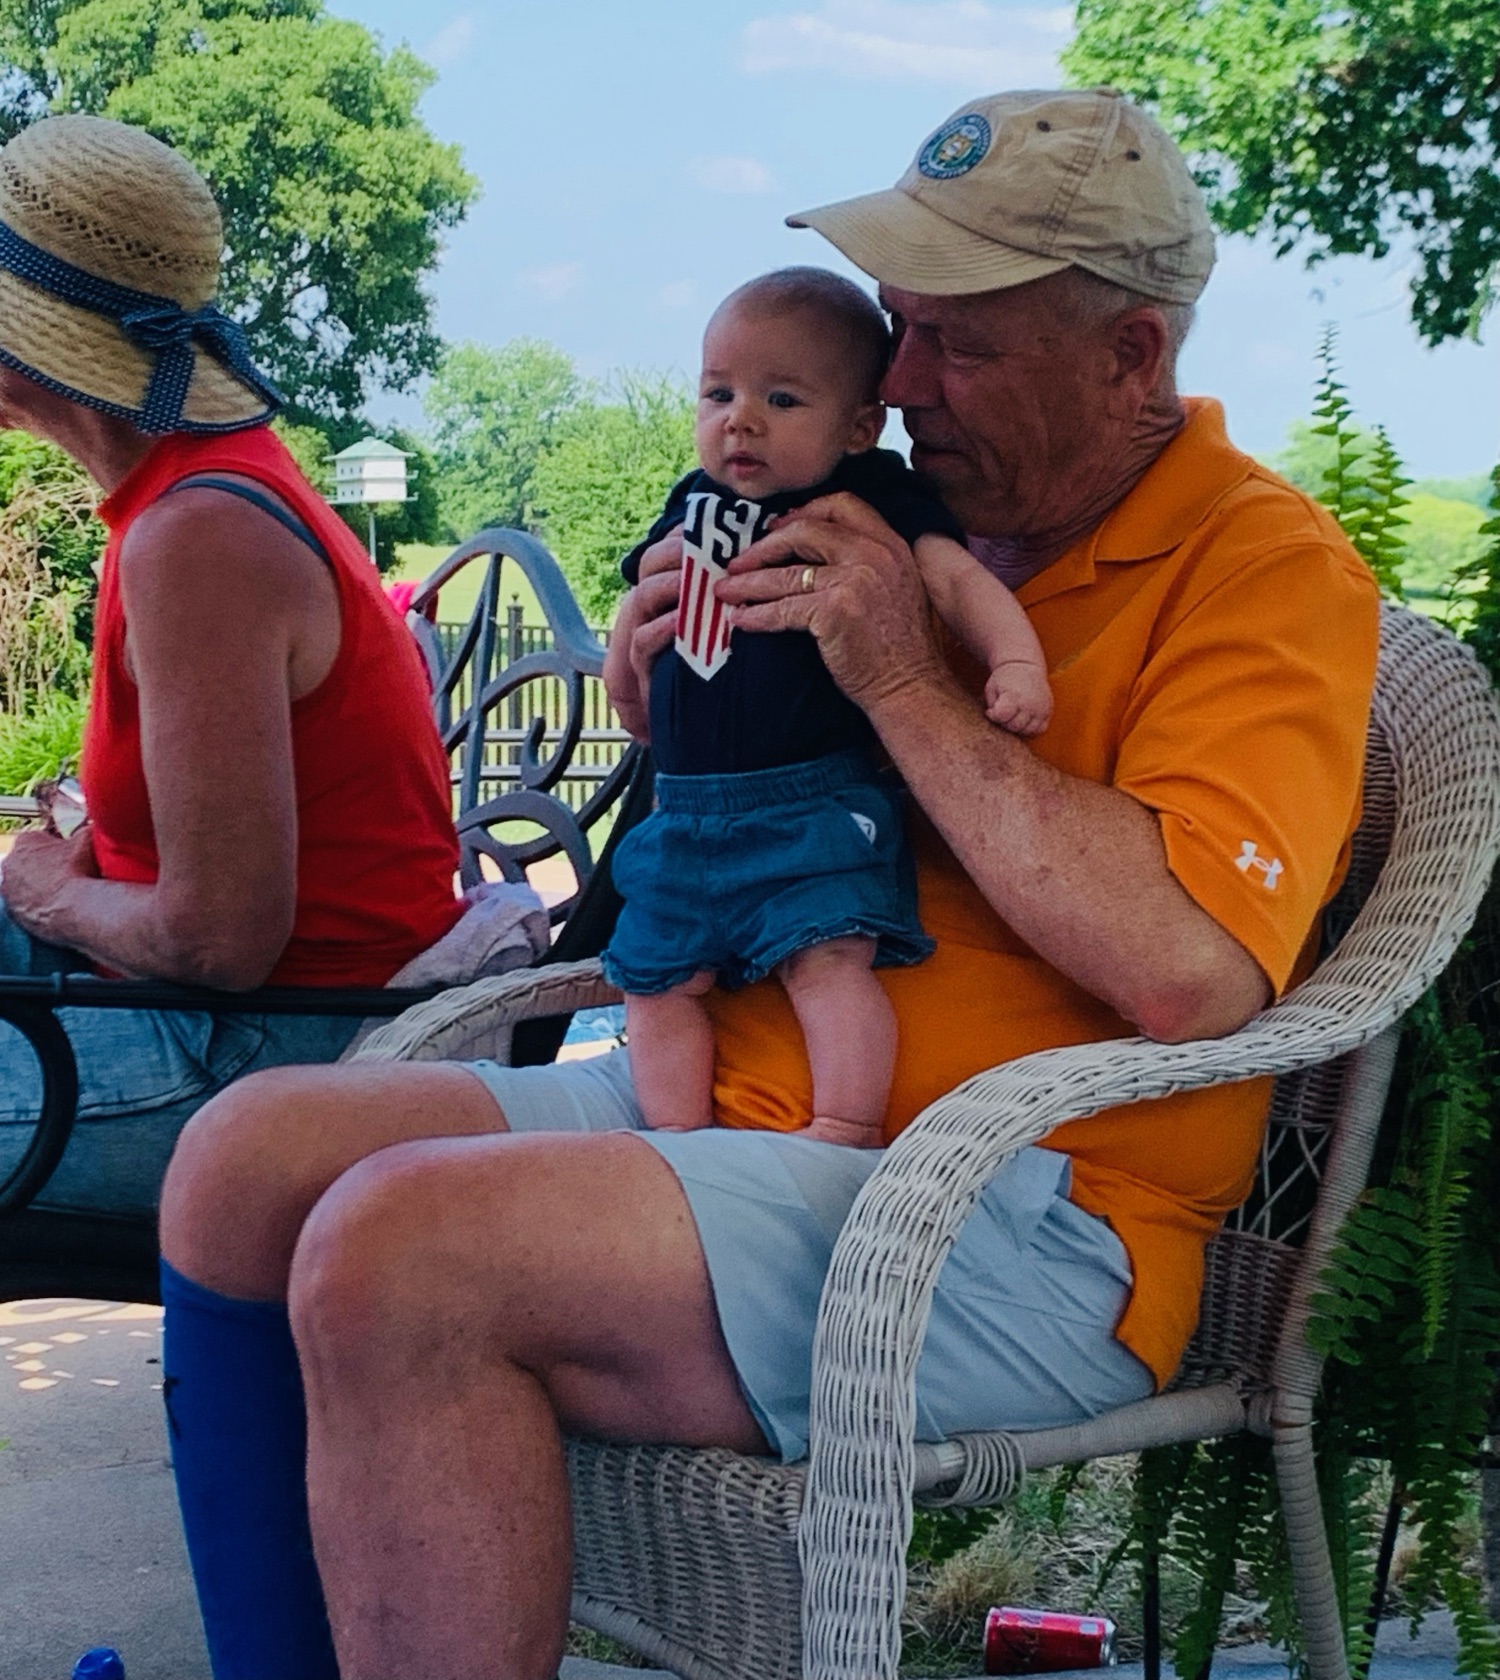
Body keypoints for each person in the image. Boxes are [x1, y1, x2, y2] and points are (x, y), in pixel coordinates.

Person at [157, 88, 1379, 1680]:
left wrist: (907, 679)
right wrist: (667, 682)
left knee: (403, 1249)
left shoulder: (1263, 569)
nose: (902, 383)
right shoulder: (883, 513)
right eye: (900, 327)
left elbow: (1193, 970)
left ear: (1130, 357)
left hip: (1014, 1207)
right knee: (244, 1158)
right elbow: (755, 801)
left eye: (959, 345)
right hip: (719, 1097)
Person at [0, 113, 463, 1219]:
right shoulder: (191, 489)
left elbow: (221, 940)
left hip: (274, 1054)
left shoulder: (197, 536)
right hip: (228, 1009)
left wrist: (52, 894)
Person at [603, 264, 1049, 1146]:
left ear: (858, 426)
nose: (741, 420)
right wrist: (626, 684)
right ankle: (676, 1141)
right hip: (683, 810)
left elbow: (956, 580)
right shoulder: (692, 504)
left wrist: (1017, 661)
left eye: (782, 399)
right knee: (654, 982)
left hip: (810, 798)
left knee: (830, 960)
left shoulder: (869, 499)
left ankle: (845, 1123)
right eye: (719, 393)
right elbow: (641, 613)